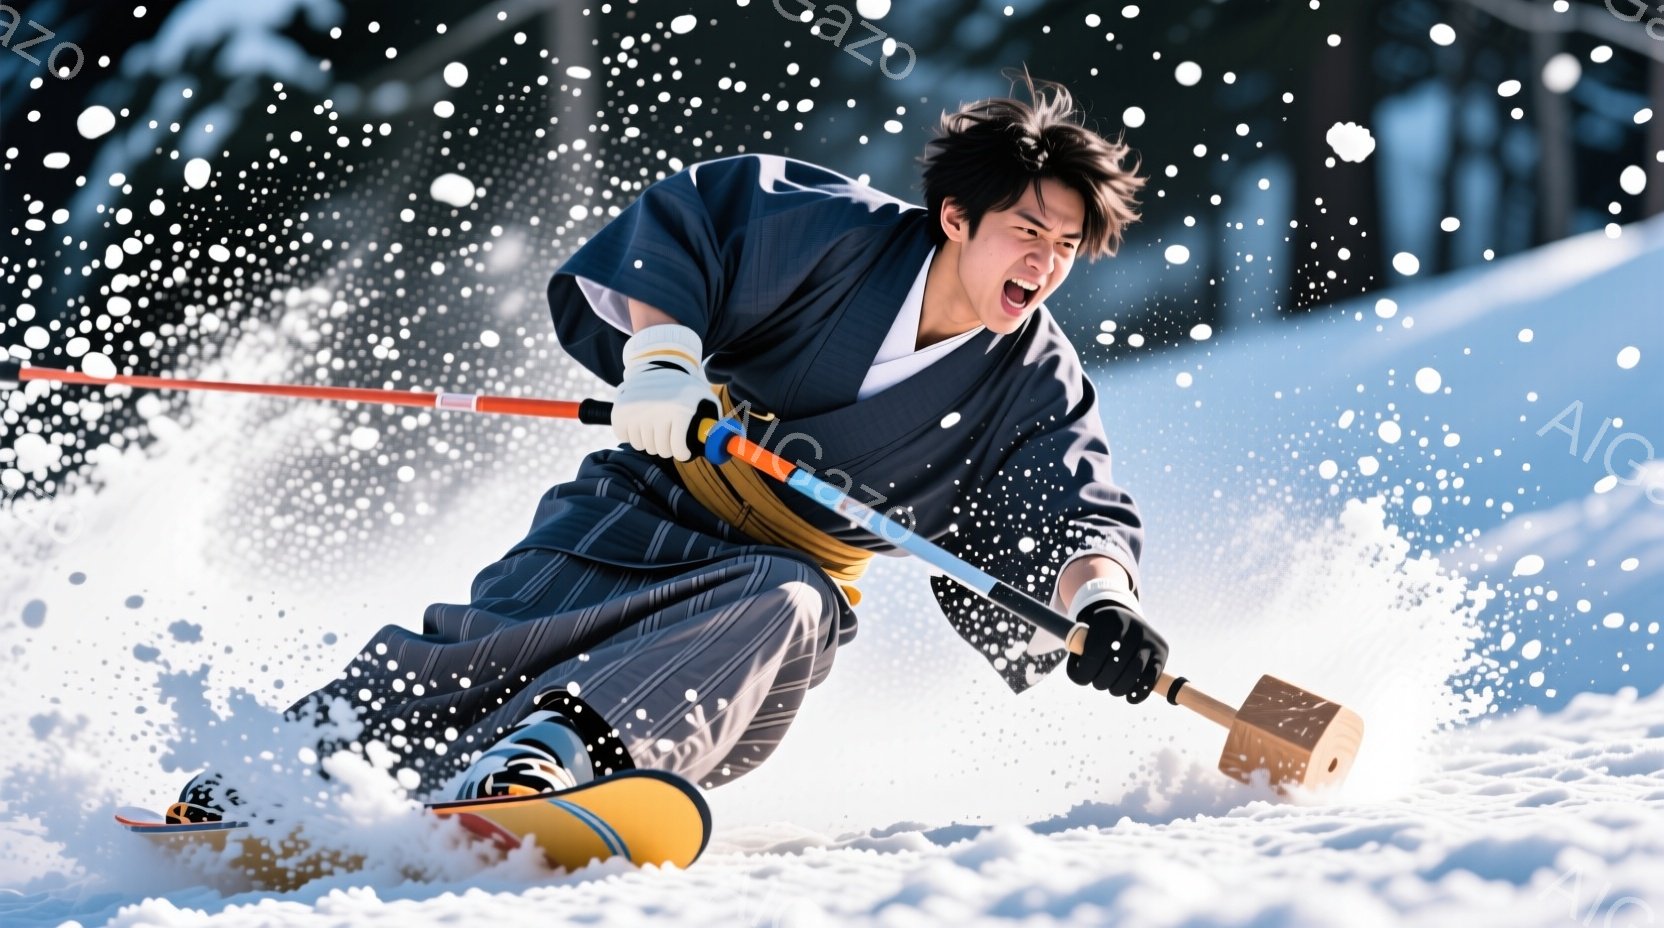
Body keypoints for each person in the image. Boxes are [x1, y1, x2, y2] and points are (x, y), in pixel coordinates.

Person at [169, 73, 1167, 823]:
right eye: (1024, 231)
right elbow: (693, 222)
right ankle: (287, 763)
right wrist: (660, 364)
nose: (1042, 264)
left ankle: (563, 757)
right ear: (956, 219)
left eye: (1065, 248)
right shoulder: (838, 236)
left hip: (765, 603)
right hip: (642, 504)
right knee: (494, 643)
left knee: (791, 598)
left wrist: (1105, 604)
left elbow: (1072, 505)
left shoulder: (1036, 376)